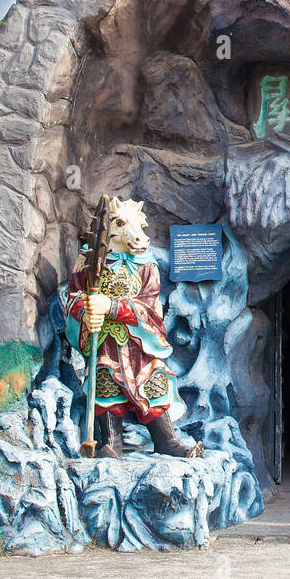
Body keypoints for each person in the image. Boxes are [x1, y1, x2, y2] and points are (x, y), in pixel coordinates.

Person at [65, 196, 203, 459]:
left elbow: (151, 307)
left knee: (153, 385)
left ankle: (166, 440)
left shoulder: (146, 267)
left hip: (138, 343)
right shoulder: (88, 262)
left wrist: (113, 307)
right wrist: (85, 312)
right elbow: (74, 297)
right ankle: (111, 442)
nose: (135, 235)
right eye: (121, 224)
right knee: (106, 386)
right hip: (105, 342)